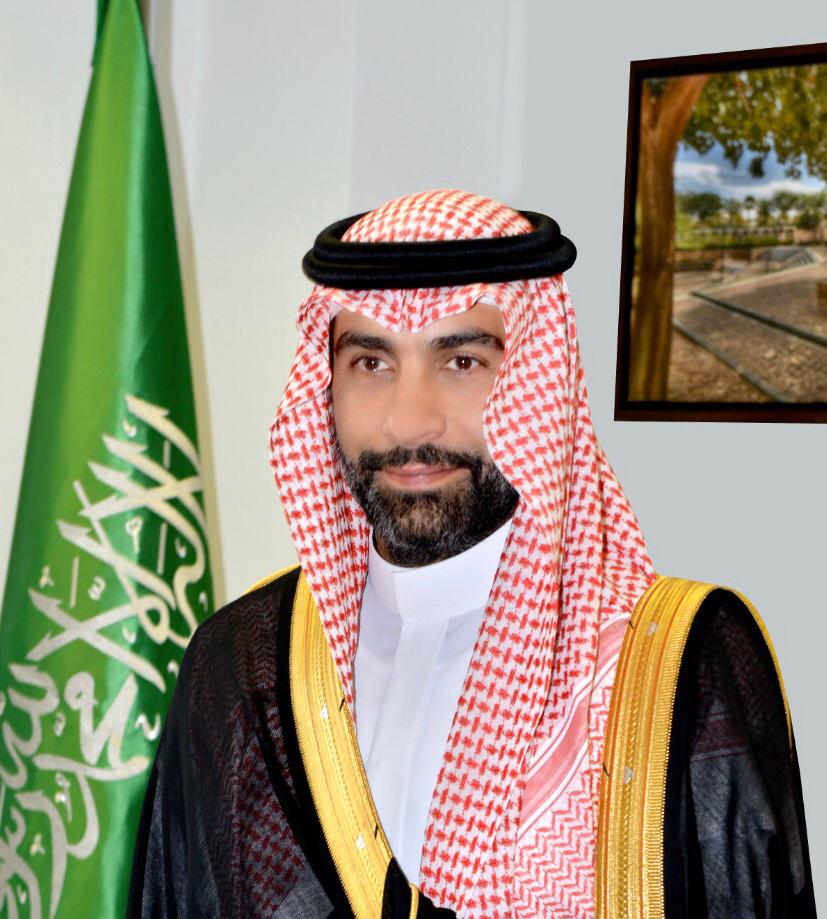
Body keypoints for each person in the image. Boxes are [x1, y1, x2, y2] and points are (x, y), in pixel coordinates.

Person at [127, 190, 816, 918]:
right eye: (370, 361)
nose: (408, 421)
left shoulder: (675, 663)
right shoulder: (240, 662)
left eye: (460, 360)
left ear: (538, 379)